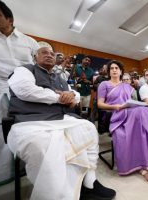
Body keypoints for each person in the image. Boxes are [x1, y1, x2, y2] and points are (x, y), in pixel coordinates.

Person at [7, 47, 116, 200]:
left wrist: (71, 95)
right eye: (44, 53)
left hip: (60, 119)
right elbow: (25, 90)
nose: (50, 55)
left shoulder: (60, 77)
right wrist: (58, 97)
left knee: (89, 128)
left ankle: (89, 181)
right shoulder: (25, 70)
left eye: (52, 53)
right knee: (47, 146)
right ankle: (64, 194)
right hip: (31, 120)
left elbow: (75, 94)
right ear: (34, 57)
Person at [0, 0, 39, 186]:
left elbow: (39, 68)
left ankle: (30, 168)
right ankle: (5, 175)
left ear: (9, 18)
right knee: (1, 134)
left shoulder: (30, 42)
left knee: (31, 132)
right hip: (1, 92)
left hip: (27, 93)